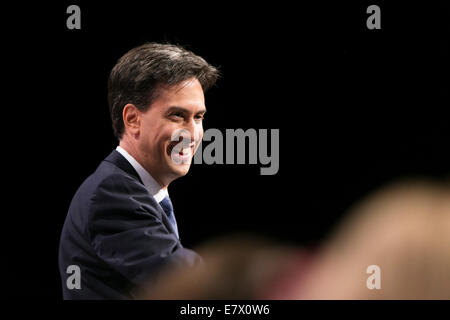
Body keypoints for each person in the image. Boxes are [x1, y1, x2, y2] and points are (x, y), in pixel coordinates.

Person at [58, 42, 219, 299]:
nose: (192, 133)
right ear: (133, 119)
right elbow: (187, 282)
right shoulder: (111, 194)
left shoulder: (135, 189)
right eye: (177, 116)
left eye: (198, 117)